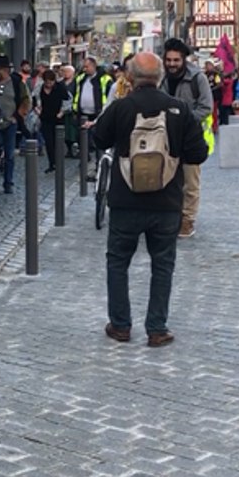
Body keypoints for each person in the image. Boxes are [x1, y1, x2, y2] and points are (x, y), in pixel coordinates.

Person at [92, 52, 209, 348]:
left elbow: (98, 140)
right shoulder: (179, 109)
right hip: (166, 202)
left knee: (118, 262)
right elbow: (198, 154)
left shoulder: (121, 107)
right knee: (162, 264)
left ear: (130, 78)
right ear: (159, 77)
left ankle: (120, 325)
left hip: (125, 201)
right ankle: (156, 328)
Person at [160, 38, 214, 239]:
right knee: (167, 178)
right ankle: (170, 216)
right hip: (166, 137)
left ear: (184, 60)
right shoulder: (162, 78)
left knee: (190, 182)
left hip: (190, 137)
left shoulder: (197, 78)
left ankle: (187, 220)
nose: (172, 64)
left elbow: (206, 107)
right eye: (169, 60)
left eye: (176, 60)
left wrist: (183, 119)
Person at [0, 55, 30, 194]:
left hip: (11, 122)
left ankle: (8, 182)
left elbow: (25, 100)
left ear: (5, 70)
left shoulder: (17, 83)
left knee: (9, 155)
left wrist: (18, 116)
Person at [33, 69, 69, 173]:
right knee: (48, 142)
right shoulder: (39, 88)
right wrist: (37, 110)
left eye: (51, 82)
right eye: (47, 82)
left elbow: (67, 100)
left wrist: (62, 112)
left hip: (57, 118)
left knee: (57, 142)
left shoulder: (60, 87)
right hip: (45, 118)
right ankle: (52, 163)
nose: (49, 84)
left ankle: (58, 162)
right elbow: (34, 100)